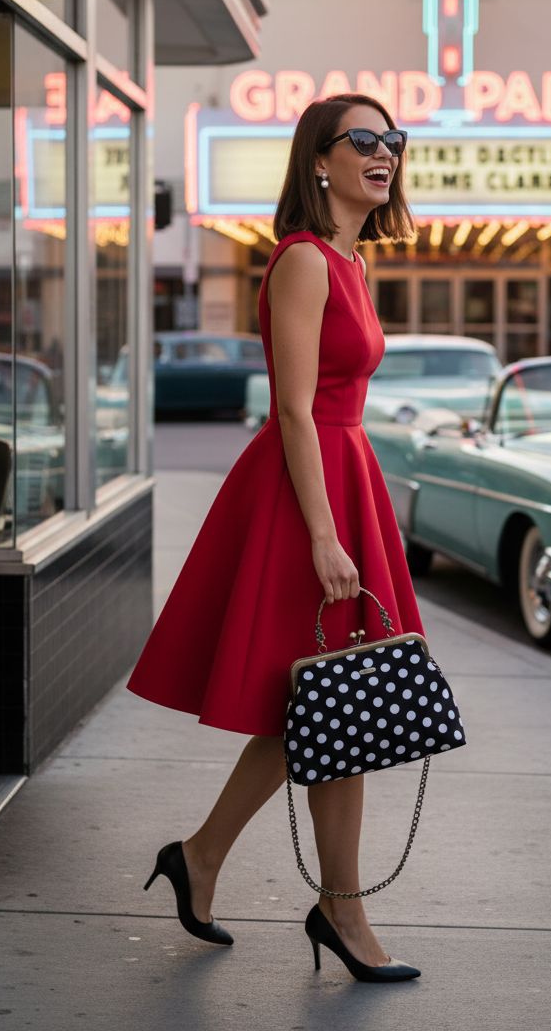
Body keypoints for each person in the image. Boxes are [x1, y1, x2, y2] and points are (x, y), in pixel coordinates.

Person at [126, 93, 425, 983]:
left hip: (345, 476)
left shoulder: (353, 262)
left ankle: (213, 859)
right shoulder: (303, 262)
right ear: (318, 161)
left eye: (392, 141)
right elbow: (293, 410)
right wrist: (327, 537)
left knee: (335, 701)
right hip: (309, 492)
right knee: (336, 701)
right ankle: (330, 906)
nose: (384, 153)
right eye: (362, 140)